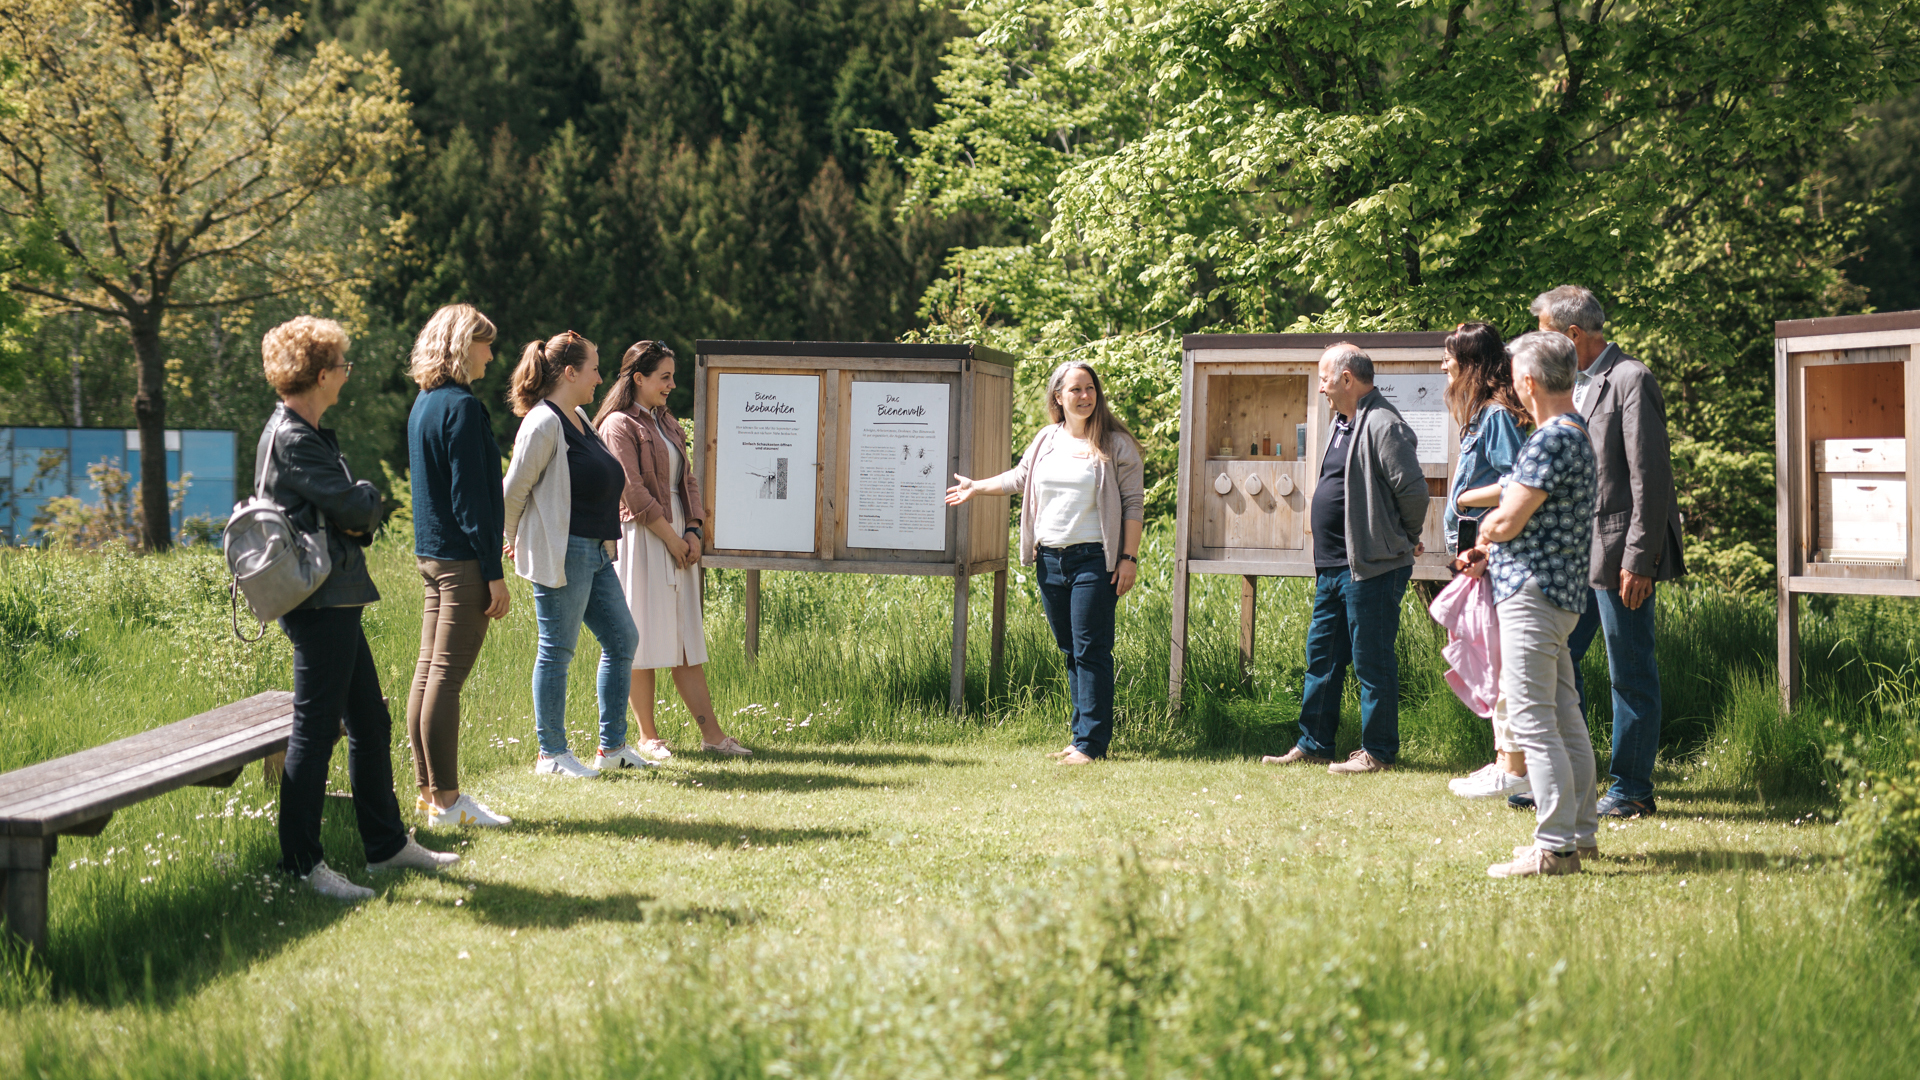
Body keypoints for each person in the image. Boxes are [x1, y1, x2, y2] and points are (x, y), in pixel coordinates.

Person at [256, 315, 458, 902]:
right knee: (315, 731)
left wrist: (357, 507)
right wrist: (368, 496)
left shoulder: (307, 432)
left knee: (369, 722)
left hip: (334, 595)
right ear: (322, 374)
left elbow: (348, 513)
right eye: (343, 366)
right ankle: (302, 864)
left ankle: (386, 846)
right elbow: (354, 507)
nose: (347, 375)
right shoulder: (294, 438)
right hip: (318, 601)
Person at [1522, 285, 1686, 819]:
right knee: (1560, 662)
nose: (1539, 345)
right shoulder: (1576, 385)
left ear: (1572, 336)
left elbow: (1650, 475)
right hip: (1578, 557)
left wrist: (1640, 558)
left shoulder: (1631, 378)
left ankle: (1633, 788)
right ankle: (1567, 778)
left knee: (1630, 671)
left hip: (1621, 558)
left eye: (1545, 333)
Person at [946, 361, 1144, 764]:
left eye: (1090, 388)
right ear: (1058, 397)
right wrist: (976, 487)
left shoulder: (1115, 444)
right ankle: (1080, 736)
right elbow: (1021, 478)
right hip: (1050, 559)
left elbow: (1133, 505)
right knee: (1071, 649)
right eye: (1076, 390)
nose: (1085, 396)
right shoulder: (1046, 440)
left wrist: (1128, 558)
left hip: (1095, 559)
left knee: (1091, 649)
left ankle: (1092, 744)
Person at [1458, 330, 1600, 877]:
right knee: (1565, 717)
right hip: (1557, 592)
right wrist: (1492, 545)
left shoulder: (1548, 440)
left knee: (1535, 721)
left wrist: (1489, 533)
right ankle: (1579, 835)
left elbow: (1507, 518)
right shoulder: (1573, 432)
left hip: (1532, 597)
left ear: (1528, 380)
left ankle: (1555, 847)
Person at [1262, 344, 1428, 775]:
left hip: (1372, 567)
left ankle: (1377, 752)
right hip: (1334, 567)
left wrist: (1403, 538)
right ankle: (1314, 743)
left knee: (1372, 661)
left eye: (1324, 378)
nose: (1320, 388)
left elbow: (1413, 491)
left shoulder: (1383, 423)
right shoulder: (1343, 423)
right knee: (1322, 658)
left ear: (1348, 378)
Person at [501, 330, 649, 778]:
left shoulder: (580, 417)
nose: (600, 378)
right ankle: (552, 754)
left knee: (623, 639)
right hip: (562, 551)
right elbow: (513, 490)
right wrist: (509, 539)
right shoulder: (543, 422)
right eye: (594, 369)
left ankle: (613, 747)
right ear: (569, 372)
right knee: (557, 650)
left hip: (596, 550)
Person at [595, 339, 752, 758]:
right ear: (639, 378)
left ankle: (712, 736)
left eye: (672, 376)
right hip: (644, 539)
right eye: (664, 377)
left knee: (685, 638)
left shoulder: (666, 422)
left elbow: (689, 481)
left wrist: (695, 531)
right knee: (641, 639)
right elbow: (631, 490)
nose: (672, 384)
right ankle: (648, 737)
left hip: (678, 534)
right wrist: (670, 537)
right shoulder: (618, 425)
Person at [404, 303, 514, 828]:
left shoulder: (423, 403)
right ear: (461, 344)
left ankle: (428, 795)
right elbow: (471, 498)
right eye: (485, 343)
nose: (492, 355)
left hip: (431, 556)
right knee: (445, 679)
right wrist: (493, 571)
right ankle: (447, 801)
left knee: (428, 676)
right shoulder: (462, 408)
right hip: (463, 562)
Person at [1438, 322, 1532, 800]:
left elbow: (1519, 480)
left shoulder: (1495, 416)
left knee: (1497, 656)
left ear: (1470, 364)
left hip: (1492, 554)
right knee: (1490, 652)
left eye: (1449, 358)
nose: (1443, 366)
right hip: (1478, 552)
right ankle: (1508, 763)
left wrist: (1468, 496)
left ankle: (1510, 766)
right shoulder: (1479, 416)